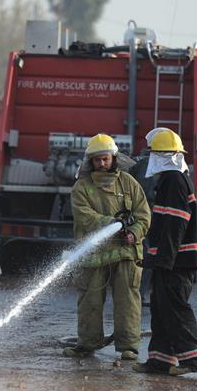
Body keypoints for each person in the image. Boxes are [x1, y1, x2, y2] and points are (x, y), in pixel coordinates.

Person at [64, 134, 150, 360]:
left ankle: (129, 347)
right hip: (94, 254)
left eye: (105, 159)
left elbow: (143, 215)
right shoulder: (82, 187)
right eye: (97, 160)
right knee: (90, 301)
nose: (102, 164)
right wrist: (110, 223)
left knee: (127, 301)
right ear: (90, 162)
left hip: (125, 252)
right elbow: (84, 216)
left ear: (114, 158)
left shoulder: (129, 184)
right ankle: (87, 344)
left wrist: (134, 232)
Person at [134, 128, 197, 376]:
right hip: (171, 258)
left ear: (163, 156)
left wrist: (163, 258)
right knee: (160, 307)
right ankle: (160, 360)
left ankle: (196, 358)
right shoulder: (171, 178)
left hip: (177, 260)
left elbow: (175, 222)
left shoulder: (174, 180)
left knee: (175, 308)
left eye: (154, 154)